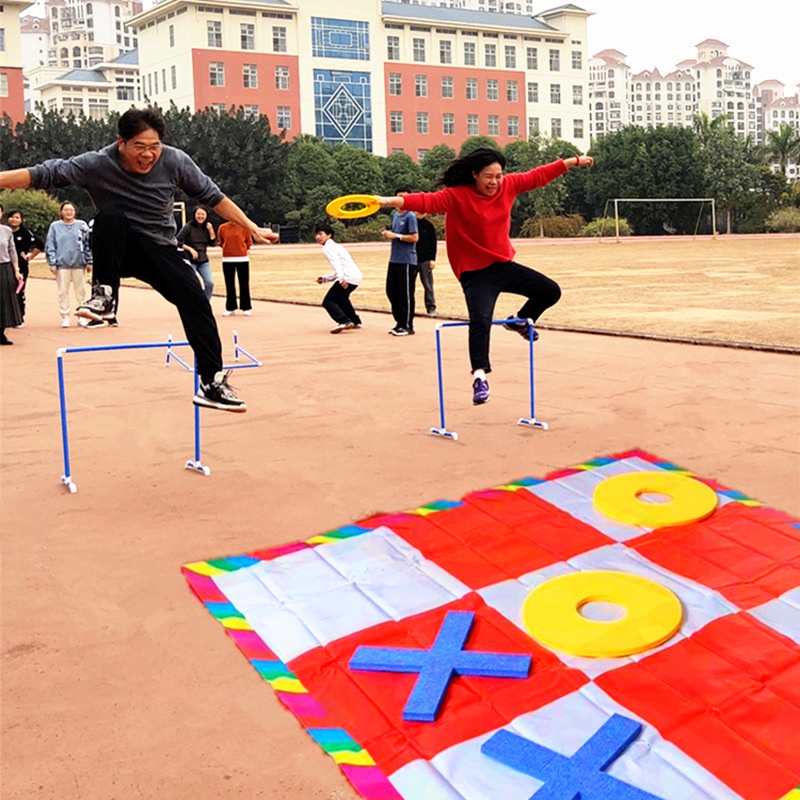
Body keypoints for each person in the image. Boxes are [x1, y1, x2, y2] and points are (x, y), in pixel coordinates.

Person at [0, 106, 279, 411]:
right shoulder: (97, 163)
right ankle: (104, 295)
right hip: (118, 249)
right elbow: (44, 174)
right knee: (110, 217)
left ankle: (211, 382)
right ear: (121, 142)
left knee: (196, 299)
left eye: (154, 147)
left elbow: (214, 197)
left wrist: (251, 226)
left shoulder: (175, 161)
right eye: (140, 147)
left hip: (160, 249)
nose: (148, 155)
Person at [378, 148, 594, 405]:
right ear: (475, 174)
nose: (494, 182)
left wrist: (571, 161)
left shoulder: (509, 186)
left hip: (503, 266)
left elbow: (538, 176)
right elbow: (426, 201)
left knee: (550, 291)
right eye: (488, 176)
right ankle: (479, 377)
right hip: (475, 273)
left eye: (498, 176)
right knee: (480, 319)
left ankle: (518, 321)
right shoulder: (457, 195)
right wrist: (387, 201)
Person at [45, 201, 92, 328]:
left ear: (75, 211)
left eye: (71, 210)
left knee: (81, 291)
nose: (68, 212)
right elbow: (50, 245)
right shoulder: (55, 226)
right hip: (62, 264)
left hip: (79, 263)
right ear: (61, 212)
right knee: (62, 291)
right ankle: (65, 316)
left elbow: (88, 243)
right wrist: (52, 263)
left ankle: (82, 315)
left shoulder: (81, 225)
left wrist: (89, 260)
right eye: (65, 210)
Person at [381, 188, 419, 336]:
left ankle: (408, 325)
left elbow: (415, 237)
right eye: (398, 197)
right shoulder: (396, 215)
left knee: (406, 293)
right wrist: (388, 235)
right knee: (391, 291)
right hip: (394, 259)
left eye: (404, 197)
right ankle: (399, 322)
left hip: (407, 260)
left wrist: (396, 236)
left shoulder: (410, 216)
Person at [314, 223, 362, 333]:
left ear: (329, 235)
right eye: (317, 234)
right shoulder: (336, 246)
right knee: (342, 299)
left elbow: (336, 264)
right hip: (355, 277)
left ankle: (344, 321)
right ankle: (354, 320)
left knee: (328, 301)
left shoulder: (328, 248)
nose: (317, 237)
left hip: (347, 277)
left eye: (320, 234)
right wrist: (326, 279)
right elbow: (342, 266)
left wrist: (341, 279)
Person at [4, 209, 44, 325]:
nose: (14, 220)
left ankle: (19, 316)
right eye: (12, 217)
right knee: (5, 291)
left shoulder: (25, 233)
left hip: (21, 267)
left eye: (17, 217)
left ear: (21, 220)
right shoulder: (4, 231)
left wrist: (30, 256)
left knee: (18, 291)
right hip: (5, 265)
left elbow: (40, 245)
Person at [177, 205, 216, 301]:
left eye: (203, 214)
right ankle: (192, 303)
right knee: (193, 284)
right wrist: (190, 249)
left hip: (203, 260)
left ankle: (205, 303)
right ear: (194, 215)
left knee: (209, 283)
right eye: (198, 214)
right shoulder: (188, 227)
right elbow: (177, 241)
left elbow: (213, 243)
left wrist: (211, 230)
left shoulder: (207, 227)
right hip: (190, 259)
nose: (200, 216)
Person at [217, 219, 252, 316]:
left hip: (242, 259)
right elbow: (221, 241)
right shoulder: (222, 228)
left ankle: (246, 307)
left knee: (244, 283)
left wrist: (243, 249)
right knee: (229, 284)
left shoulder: (244, 227)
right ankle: (230, 307)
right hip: (227, 259)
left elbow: (248, 241)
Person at [0, 220, 23, 343]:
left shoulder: (6, 230)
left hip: (4, 267)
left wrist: (16, 270)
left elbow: (12, 250)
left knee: (5, 300)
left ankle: (1, 333)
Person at [414, 211, 438, 315]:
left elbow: (433, 243)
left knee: (428, 285)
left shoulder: (429, 226)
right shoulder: (411, 224)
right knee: (409, 285)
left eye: (422, 211)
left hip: (425, 260)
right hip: (411, 259)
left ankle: (431, 307)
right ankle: (409, 307)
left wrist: (432, 259)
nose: (419, 213)